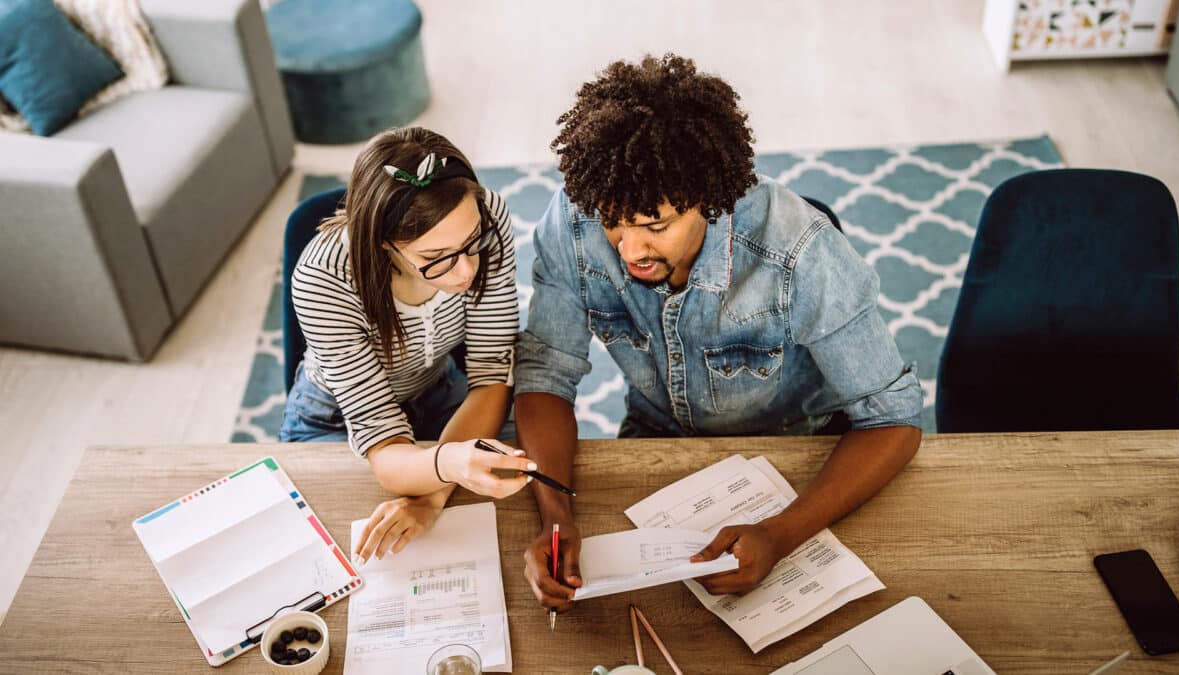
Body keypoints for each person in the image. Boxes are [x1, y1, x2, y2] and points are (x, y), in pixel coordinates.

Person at [513, 55, 924, 611]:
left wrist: (780, 534)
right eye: (615, 221)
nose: (630, 250)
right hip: (653, 436)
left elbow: (894, 420)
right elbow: (545, 375)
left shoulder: (799, 250)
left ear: (708, 200)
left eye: (655, 226)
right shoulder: (572, 220)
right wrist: (557, 520)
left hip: (794, 451)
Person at [279, 127, 535, 564]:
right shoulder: (323, 278)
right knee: (324, 552)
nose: (466, 271)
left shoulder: (487, 214)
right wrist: (450, 465)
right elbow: (384, 445)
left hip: (440, 388)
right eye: (437, 258)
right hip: (335, 415)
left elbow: (492, 374)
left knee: (524, 504)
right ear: (383, 244)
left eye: (472, 243)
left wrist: (431, 498)